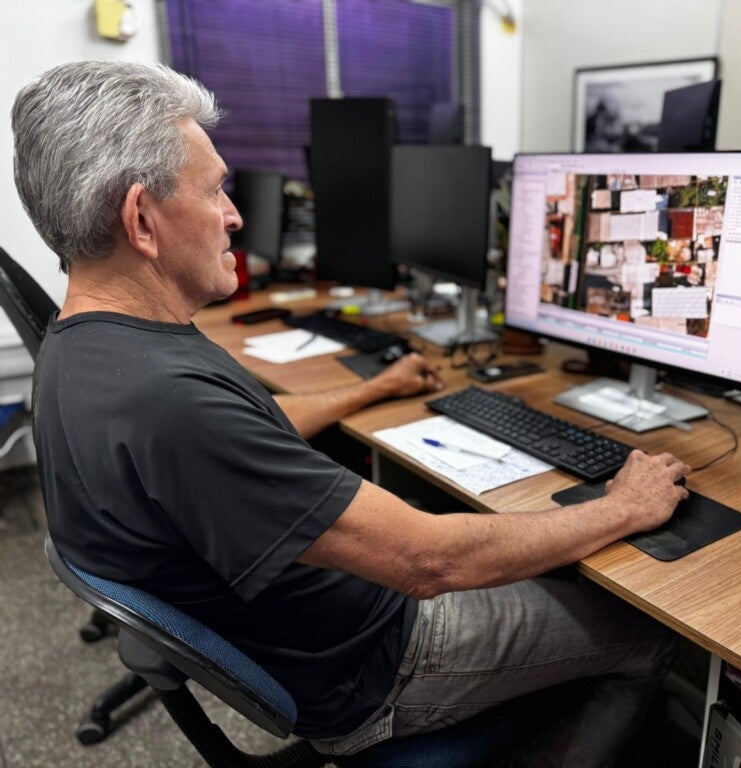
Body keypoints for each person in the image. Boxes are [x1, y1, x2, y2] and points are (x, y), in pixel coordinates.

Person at [13, 61, 688, 765]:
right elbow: (431, 560)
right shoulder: (170, 400)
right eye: (214, 191)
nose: (234, 216)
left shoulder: (84, 349)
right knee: (646, 632)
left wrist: (370, 389)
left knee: (533, 548)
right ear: (141, 220)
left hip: (318, 630)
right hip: (381, 664)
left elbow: (253, 430)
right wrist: (622, 508)